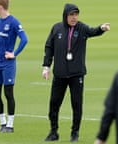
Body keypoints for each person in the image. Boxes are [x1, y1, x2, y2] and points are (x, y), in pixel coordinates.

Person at [42, 3, 110, 142]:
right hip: (59, 75)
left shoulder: (82, 28)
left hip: (76, 74)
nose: (74, 18)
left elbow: (93, 31)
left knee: (77, 105)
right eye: (71, 15)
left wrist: (101, 29)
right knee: (54, 104)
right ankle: (53, 132)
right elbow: (49, 47)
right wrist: (46, 66)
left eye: (76, 15)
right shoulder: (57, 28)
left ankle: (75, 133)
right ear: (65, 15)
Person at [0, 0, 28, 133]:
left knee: (8, 93)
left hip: (7, 64)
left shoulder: (14, 22)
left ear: (0, 7)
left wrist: (14, 53)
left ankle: (10, 125)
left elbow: (24, 39)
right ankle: (2, 123)